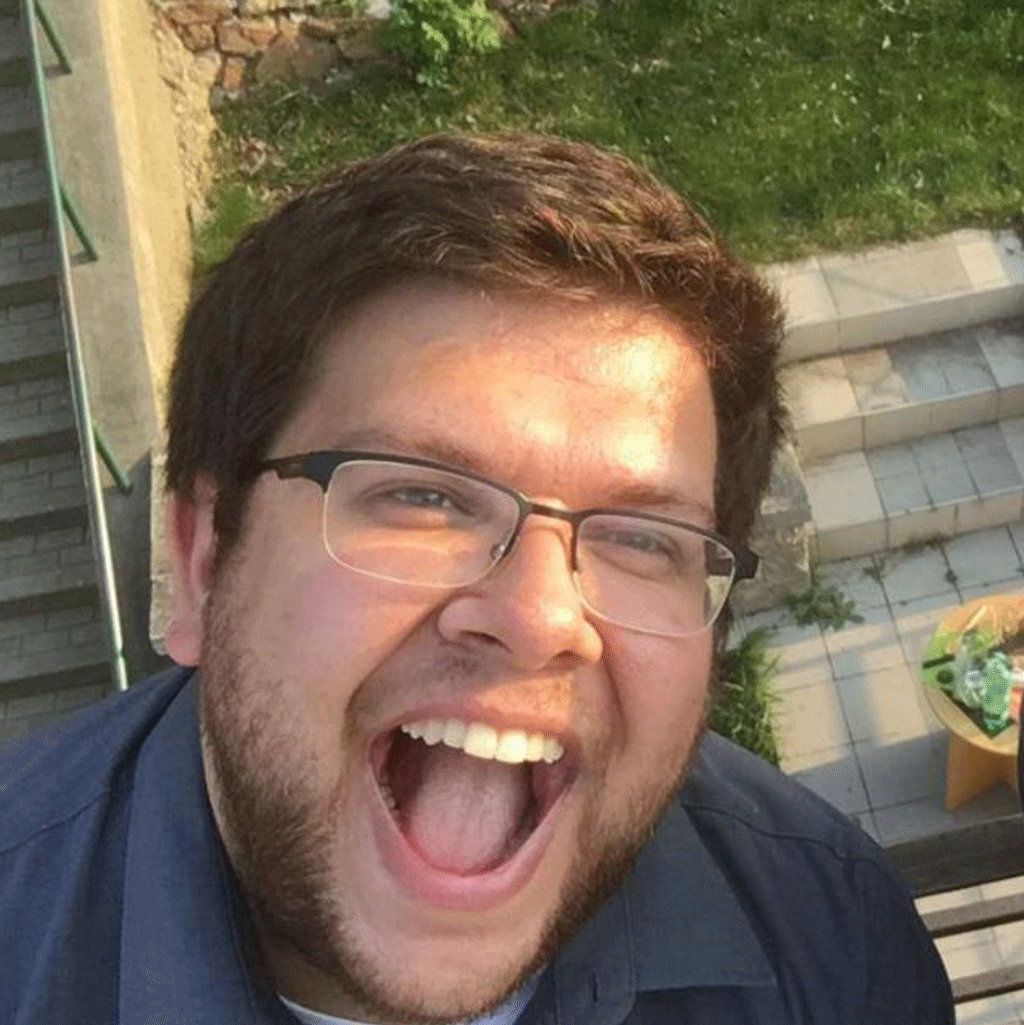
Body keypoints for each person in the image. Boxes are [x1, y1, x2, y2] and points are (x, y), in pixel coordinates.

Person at [0, 132, 952, 1024]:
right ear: (202, 562)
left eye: (642, 538)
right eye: (422, 496)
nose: (539, 615)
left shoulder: (838, 948)